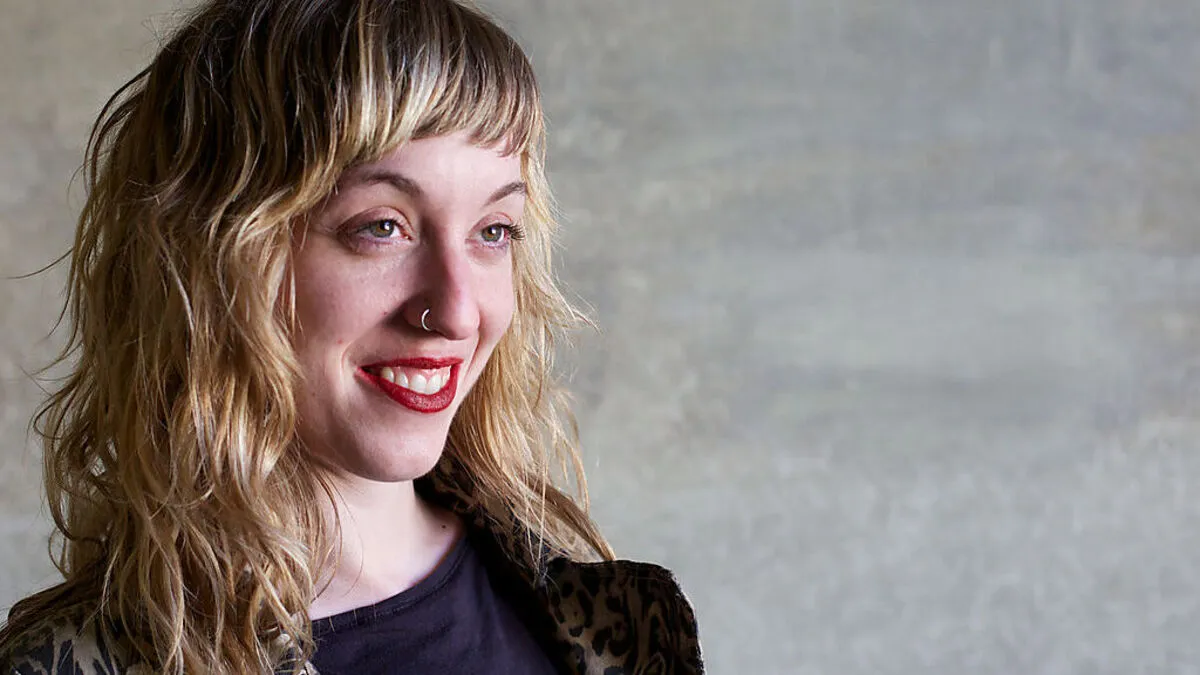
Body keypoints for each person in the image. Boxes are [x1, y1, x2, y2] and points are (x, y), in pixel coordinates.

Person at [0, 1, 703, 673]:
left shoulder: (604, 624)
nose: (457, 313)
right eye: (382, 227)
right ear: (212, 262)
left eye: (493, 231)